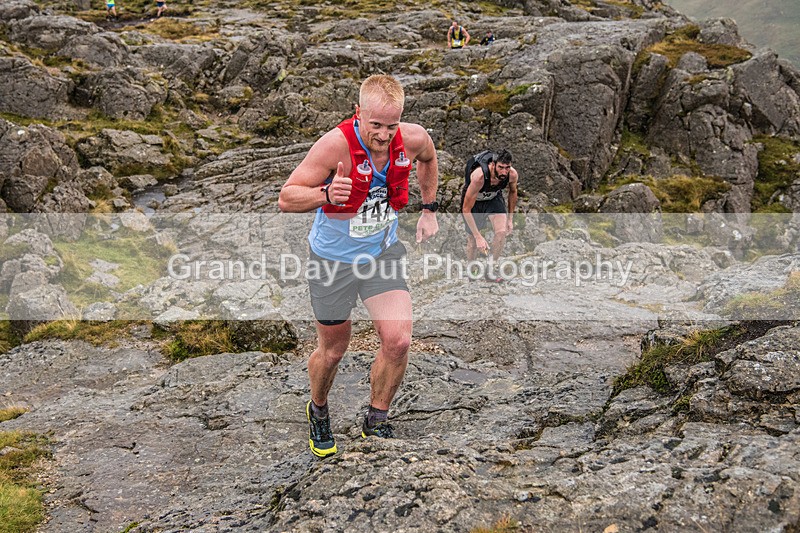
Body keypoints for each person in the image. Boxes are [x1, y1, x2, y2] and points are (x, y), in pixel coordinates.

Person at [278, 75, 439, 458]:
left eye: (392, 125)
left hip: (381, 253)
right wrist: (324, 194)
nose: (384, 135)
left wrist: (429, 209)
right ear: (359, 114)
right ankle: (318, 408)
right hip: (332, 262)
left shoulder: (413, 138)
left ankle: (376, 419)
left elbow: (429, 159)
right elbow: (286, 198)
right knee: (333, 351)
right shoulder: (335, 146)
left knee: (398, 340)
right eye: (376, 125)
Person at [461, 149, 518, 277]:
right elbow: (466, 209)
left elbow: (513, 192)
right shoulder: (479, 177)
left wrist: (510, 219)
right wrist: (478, 236)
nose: (504, 172)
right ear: (493, 165)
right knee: (473, 241)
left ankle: (491, 269)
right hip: (474, 202)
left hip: (493, 198)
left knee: (501, 232)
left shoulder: (512, 175)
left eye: (507, 167)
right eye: (500, 167)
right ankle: (472, 270)